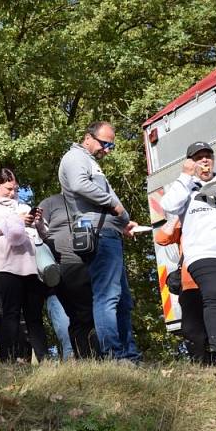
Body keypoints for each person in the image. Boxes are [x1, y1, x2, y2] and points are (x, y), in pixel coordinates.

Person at [59, 121, 140, 363]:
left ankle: (130, 355)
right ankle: (114, 355)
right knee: (107, 296)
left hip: (109, 230)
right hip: (97, 233)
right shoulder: (75, 157)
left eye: (111, 145)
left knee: (123, 299)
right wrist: (115, 205)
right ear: (88, 138)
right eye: (105, 143)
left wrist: (123, 222)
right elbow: (79, 184)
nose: (108, 149)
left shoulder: (91, 162)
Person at [160, 141, 216, 366]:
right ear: (191, 162)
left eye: (208, 155)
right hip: (204, 253)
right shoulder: (184, 186)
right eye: (199, 157)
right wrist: (185, 177)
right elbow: (168, 205)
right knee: (215, 296)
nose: (205, 160)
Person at [0, 168, 49, 363]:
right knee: (11, 313)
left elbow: (44, 233)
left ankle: (44, 360)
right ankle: (7, 360)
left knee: (34, 316)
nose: (12, 193)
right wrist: (12, 222)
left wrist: (38, 222)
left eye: (15, 189)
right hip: (5, 266)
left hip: (31, 267)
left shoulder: (22, 206)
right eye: (8, 188)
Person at [37, 193, 99, 359]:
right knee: (79, 315)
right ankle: (84, 357)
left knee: (94, 314)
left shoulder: (89, 200)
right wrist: (37, 224)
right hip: (65, 265)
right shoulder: (50, 202)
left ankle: (95, 357)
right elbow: (39, 232)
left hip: (92, 264)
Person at [153, 215, 210, 364]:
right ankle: (201, 366)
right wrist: (175, 217)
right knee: (192, 330)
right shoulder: (186, 213)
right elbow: (161, 238)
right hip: (190, 282)